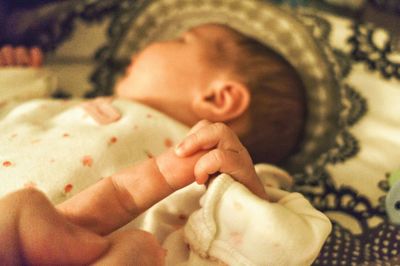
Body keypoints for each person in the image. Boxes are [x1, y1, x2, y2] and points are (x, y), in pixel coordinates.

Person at [0, 23, 330, 265]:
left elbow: (275, 246)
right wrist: (16, 81)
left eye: (181, 39)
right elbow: (14, 117)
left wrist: (243, 191)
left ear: (217, 97)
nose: (153, 43)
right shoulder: (67, 103)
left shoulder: (210, 171)